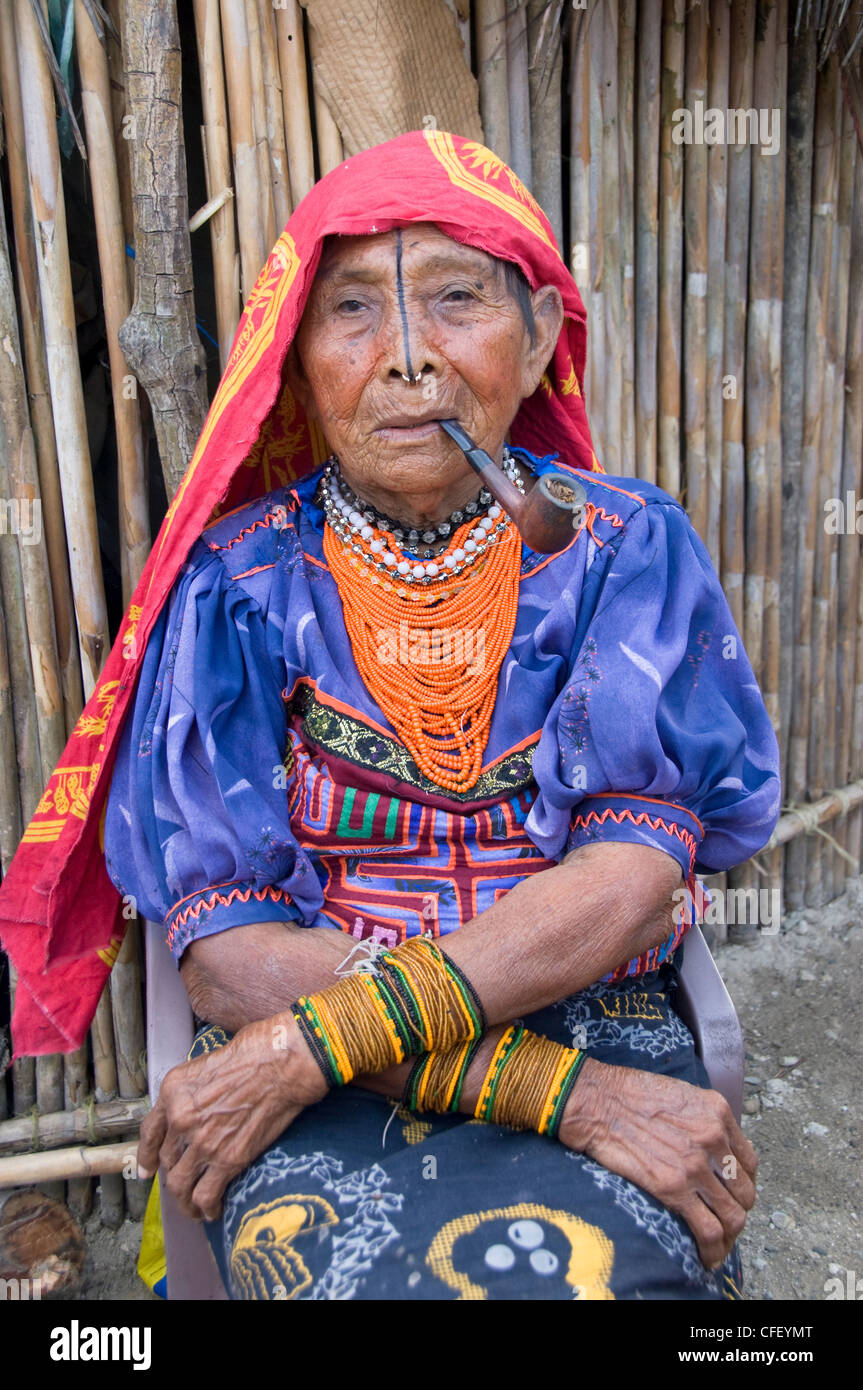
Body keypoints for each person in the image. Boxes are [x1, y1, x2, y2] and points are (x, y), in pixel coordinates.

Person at [5, 131, 781, 1301]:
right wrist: (557, 1096)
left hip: (583, 1007)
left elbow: (628, 878)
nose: (408, 358)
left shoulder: (623, 548)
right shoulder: (242, 585)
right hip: (308, 1029)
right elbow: (227, 957)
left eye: (455, 300)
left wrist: (318, 1043)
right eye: (353, 311)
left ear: (533, 346)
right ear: (295, 366)